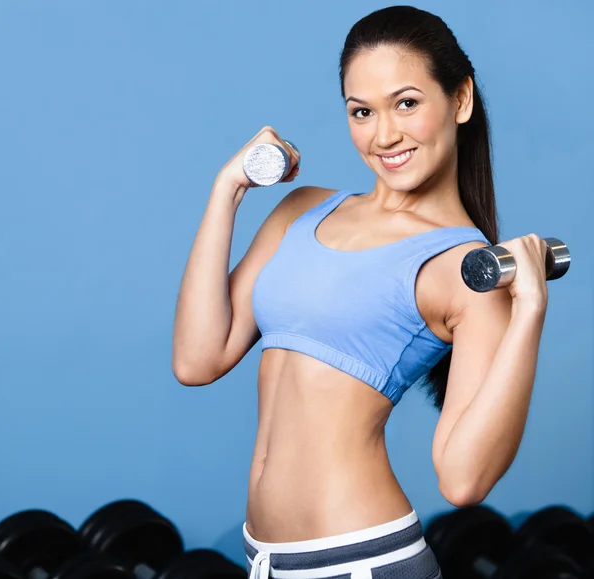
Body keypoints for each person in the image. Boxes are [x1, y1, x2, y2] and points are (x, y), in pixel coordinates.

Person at [172, 6, 549, 579]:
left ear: (461, 100)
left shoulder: (464, 269)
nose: (384, 134)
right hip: (266, 560)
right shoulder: (300, 210)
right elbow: (197, 360)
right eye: (362, 112)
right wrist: (227, 190)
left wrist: (529, 313)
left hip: (362, 561)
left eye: (407, 103)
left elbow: (463, 478)